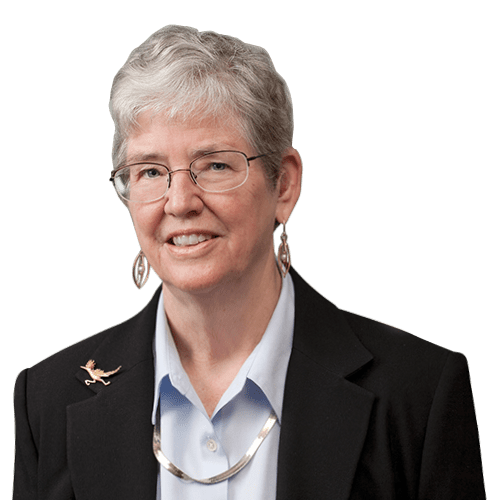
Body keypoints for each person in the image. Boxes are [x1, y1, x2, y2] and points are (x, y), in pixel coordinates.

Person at [12, 25, 485, 500]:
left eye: (215, 165)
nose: (179, 202)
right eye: (151, 171)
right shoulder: (48, 400)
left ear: (284, 186)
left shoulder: (417, 393)